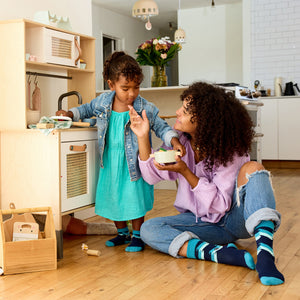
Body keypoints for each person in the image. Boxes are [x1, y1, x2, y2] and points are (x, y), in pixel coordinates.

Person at [129, 81, 284, 285]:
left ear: (203, 120)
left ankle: (265, 255)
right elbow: (150, 176)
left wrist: (185, 171)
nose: (177, 112)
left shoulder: (229, 149)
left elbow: (221, 205)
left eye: (184, 110)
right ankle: (217, 254)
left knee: (253, 168)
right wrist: (142, 137)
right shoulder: (180, 142)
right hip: (202, 224)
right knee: (149, 229)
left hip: (234, 221)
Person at [56, 51, 184, 252]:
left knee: (134, 199)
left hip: (133, 163)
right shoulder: (103, 102)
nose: (131, 93)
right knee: (112, 196)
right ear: (111, 85)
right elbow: (85, 109)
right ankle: (122, 234)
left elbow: (161, 126)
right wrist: (69, 113)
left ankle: (138, 235)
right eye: (125, 88)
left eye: (136, 87)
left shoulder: (144, 107)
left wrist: (174, 140)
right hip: (110, 161)